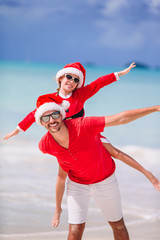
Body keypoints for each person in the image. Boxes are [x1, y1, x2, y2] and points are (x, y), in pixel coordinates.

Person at [34, 94, 160, 240]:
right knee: (75, 229)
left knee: (118, 225)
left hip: (105, 181)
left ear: (61, 115)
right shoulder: (45, 145)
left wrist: (155, 108)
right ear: (41, 123)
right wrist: (57, 209)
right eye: (45, 118)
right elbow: (62, 173)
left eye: (55, 115)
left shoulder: (83, 125)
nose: (51, 120)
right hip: (77, 185)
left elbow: (121, 119)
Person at [4, 61, 136, 140]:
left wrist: (121, 73)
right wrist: (17, 130)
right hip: (62, 136)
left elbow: (99, 83)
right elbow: (34, 114)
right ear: (61, 78)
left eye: (76, 79)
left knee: (113, 151)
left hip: (81, 133)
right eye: (69, 77)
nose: (72, 81)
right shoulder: (50, 99)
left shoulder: (81, 94)